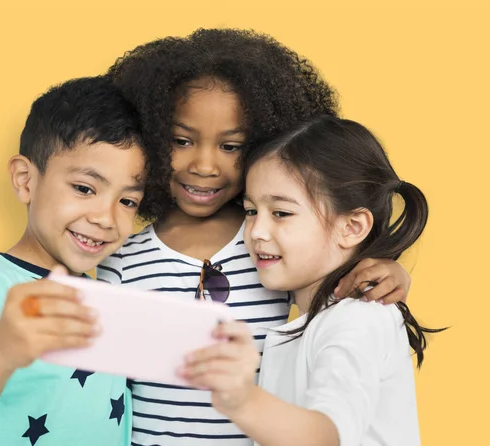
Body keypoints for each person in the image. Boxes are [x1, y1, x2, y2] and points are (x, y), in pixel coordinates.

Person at [98, 28, 413, 445]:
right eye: (181, 140)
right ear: (149, 136)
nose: (205, 166)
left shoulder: (269, 254)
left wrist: (388, 271)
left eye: (231, 146)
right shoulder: (119, 260)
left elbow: (334, 291)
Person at [181, 116, 444, 446]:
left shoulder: (358, 318)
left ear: (351, 227)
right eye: (251, 212)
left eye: (281, 213)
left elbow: (326, 436)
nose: (256, 232)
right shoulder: (322, 316)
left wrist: (241, 399)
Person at [0, 76, 164, 446]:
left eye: (127, 201)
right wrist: (3, 346)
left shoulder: (105, 292)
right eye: (84, 188)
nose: (106, 218)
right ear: (25, 180)